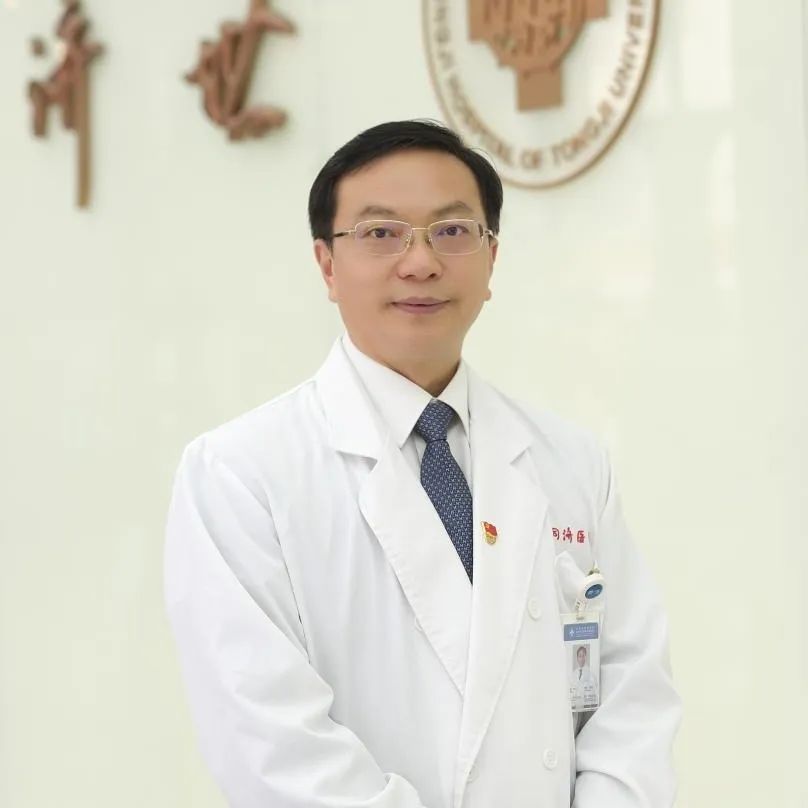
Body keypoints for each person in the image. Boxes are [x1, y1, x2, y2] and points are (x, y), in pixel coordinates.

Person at [164, 119, 681, 808]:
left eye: (452, 230)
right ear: (327, 265)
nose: (420, 262)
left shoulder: (572, 462)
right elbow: (272, 748)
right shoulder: (240, 474)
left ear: (491, 259)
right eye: (381, 233)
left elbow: (631, 699)